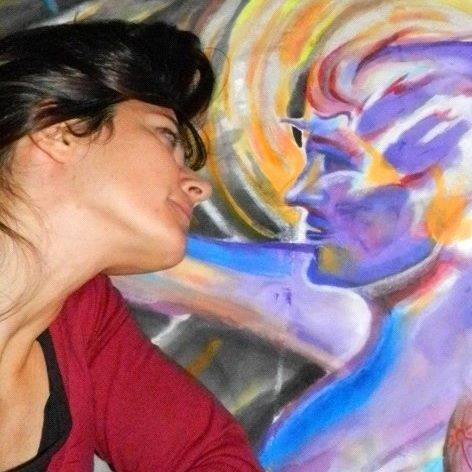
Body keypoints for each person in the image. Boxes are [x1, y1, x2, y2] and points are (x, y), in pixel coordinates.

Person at [0, 19, 263, 471]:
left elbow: (207, 455)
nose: (198, 187)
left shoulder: (84, 316)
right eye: (166, 136)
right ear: (58, 130)